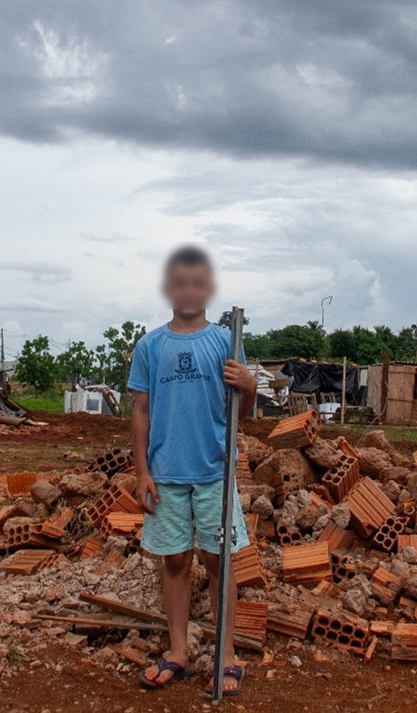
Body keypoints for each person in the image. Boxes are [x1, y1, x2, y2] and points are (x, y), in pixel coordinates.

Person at [127, 244, 256, 697]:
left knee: (219, 562)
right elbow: (141, 411)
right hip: (165, 474)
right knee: (176, 560)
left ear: (209, 289)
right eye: (179, 283)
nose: (188, 291)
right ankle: (178, 650)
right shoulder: (150, 346)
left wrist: (252, 385)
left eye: (197, 283)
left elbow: (245, 407)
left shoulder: (225, 340)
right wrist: (142, 471)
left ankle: (227, 656)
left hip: (214, 473)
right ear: (168, 289)